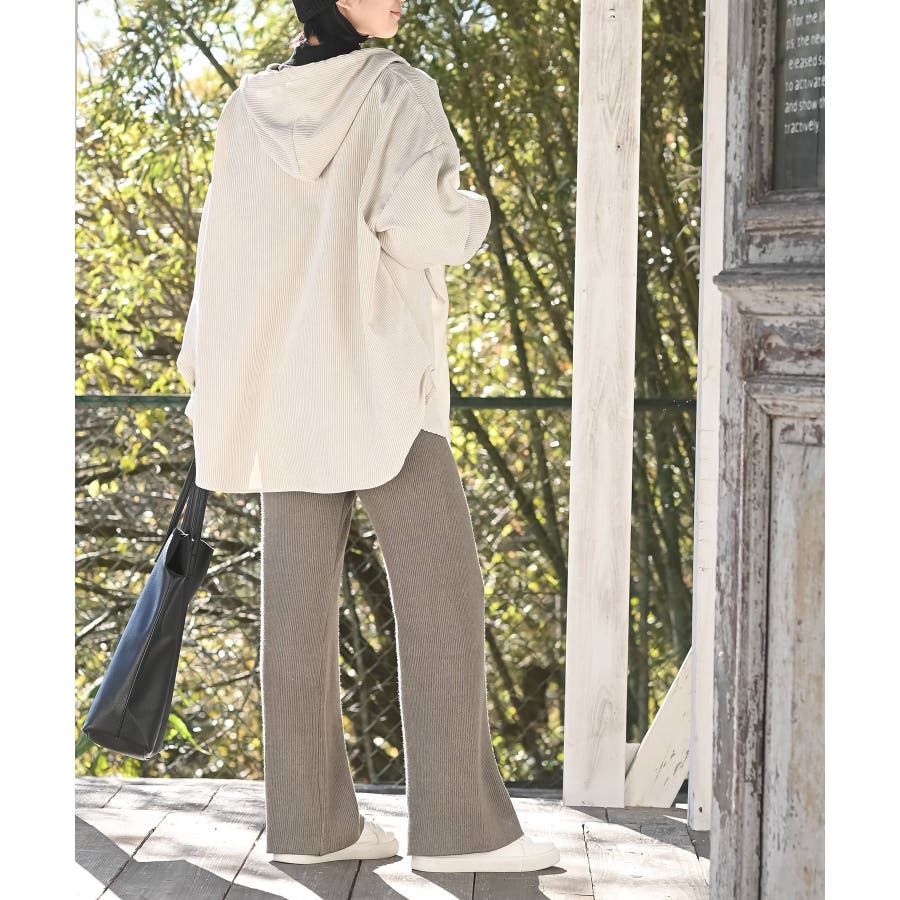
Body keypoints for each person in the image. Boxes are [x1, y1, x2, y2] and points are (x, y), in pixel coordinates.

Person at [176, 0, 560, 875]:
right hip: (379, 378)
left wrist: (210, 373)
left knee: (296, 612)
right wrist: (475, 213)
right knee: (443, 597)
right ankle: (462, 835)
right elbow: (423, 229)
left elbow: (221, 251)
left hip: (287, 388)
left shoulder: (248, 109)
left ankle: (311, 827)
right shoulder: (396, 92)